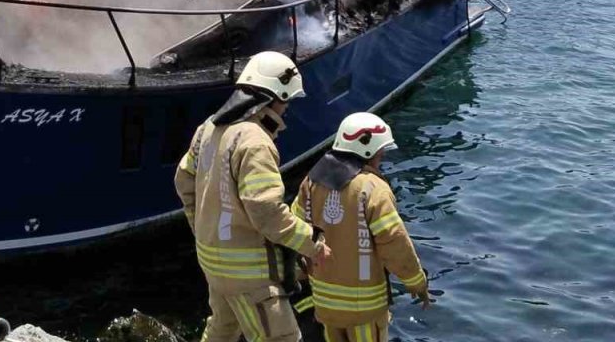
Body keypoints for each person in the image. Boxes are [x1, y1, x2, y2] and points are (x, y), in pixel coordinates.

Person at [176, 51, 331, 342]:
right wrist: (313, 243)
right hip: (250, 275)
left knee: (222, 331)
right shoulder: (256, 142)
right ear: (276, 97)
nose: (286, 108)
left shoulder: (207, 128)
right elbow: (266, 210)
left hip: (212, 261)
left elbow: (184, 180)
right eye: (287, 100)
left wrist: (202, 228)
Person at [293, 112, 429, 342]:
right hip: (364, 308)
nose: (382, 156)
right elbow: (394, 242)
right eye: (380, 151)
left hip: (324, 303)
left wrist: (298, 273)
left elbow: (293, 229)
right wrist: (416, 281)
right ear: (369, 151)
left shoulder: (311, 181)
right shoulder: (373, 188)